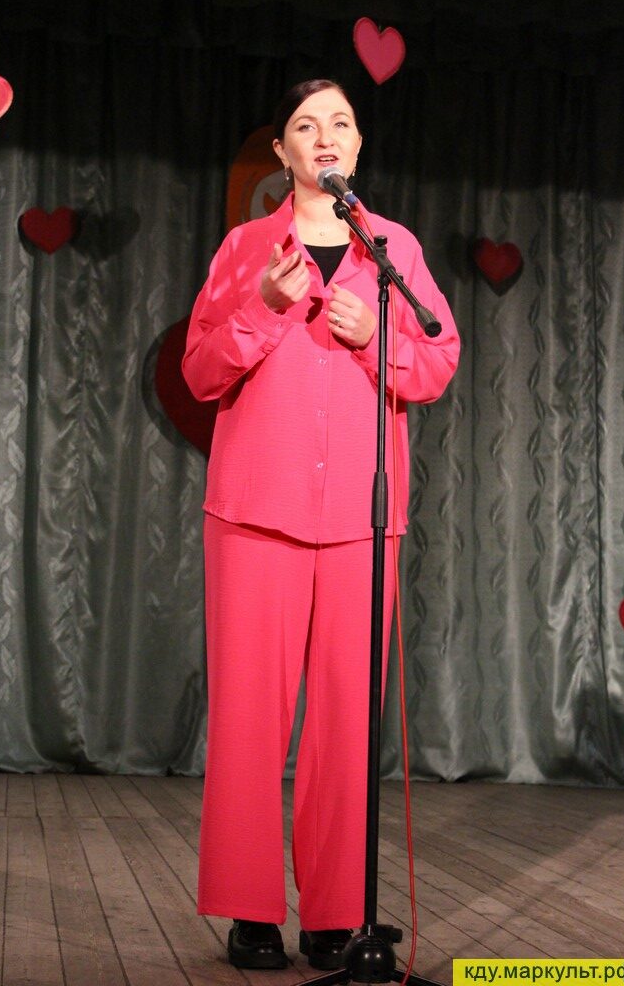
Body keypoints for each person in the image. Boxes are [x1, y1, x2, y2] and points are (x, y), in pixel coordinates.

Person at [182, 78, 459, 971]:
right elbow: (198, 372)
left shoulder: (394, 249)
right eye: (306, 125)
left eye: (340, 122)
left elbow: (436, 362)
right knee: (249, 721)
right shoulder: (245, 248)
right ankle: (249, 911)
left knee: (345, 726)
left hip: (357, 521)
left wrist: (372, 337)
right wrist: (264, 306)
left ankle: (337, 914)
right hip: (254, 513)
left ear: (358, 144)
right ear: (283, 152)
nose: (325, 136)